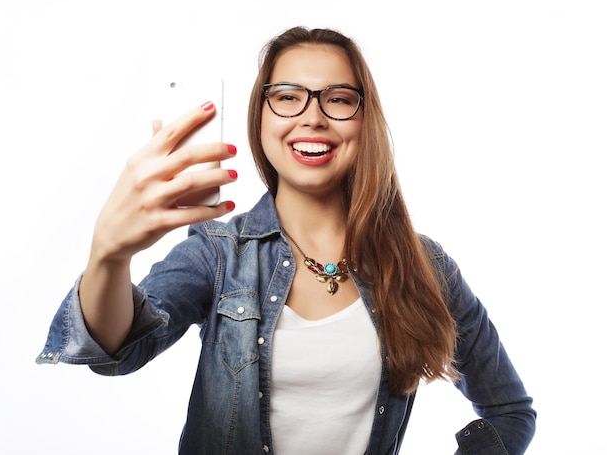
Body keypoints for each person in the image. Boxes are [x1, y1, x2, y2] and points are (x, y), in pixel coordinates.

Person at [37, 26, 536, 454]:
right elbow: (117, 348)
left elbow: (509, 410)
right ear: (261, 117)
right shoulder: (219, 252)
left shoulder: (421, 262)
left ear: (366, 122)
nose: (312, 116)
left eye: (339, 99)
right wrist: (110, 253)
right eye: (287, 97)